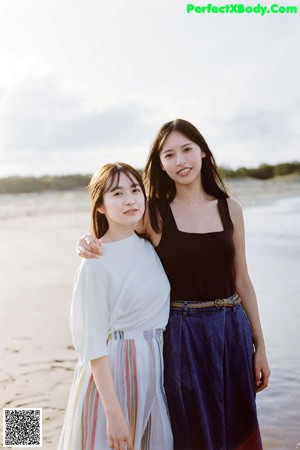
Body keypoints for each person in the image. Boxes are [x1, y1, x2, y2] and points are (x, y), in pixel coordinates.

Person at [77, 119, 271, 450]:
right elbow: (116, 233)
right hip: (183, 333)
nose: (180, 161)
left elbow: (242, 278)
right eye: (169, 154)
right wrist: (85, 241)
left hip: (232, 328)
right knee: (191, 427)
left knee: (239, 425)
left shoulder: (230, 208)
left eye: (187, 150)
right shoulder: (154, 213)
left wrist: (260, 347)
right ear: (160, 163)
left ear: (203, 153)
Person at [59, 163, 173, 450]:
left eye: (135, 190)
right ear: (100, 206)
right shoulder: (96, 261)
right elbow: (92, 342)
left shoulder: (149, 245)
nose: (130, 199)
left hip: (152, 363)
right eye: (117, 193)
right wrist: (113, 413)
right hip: (116, 367)